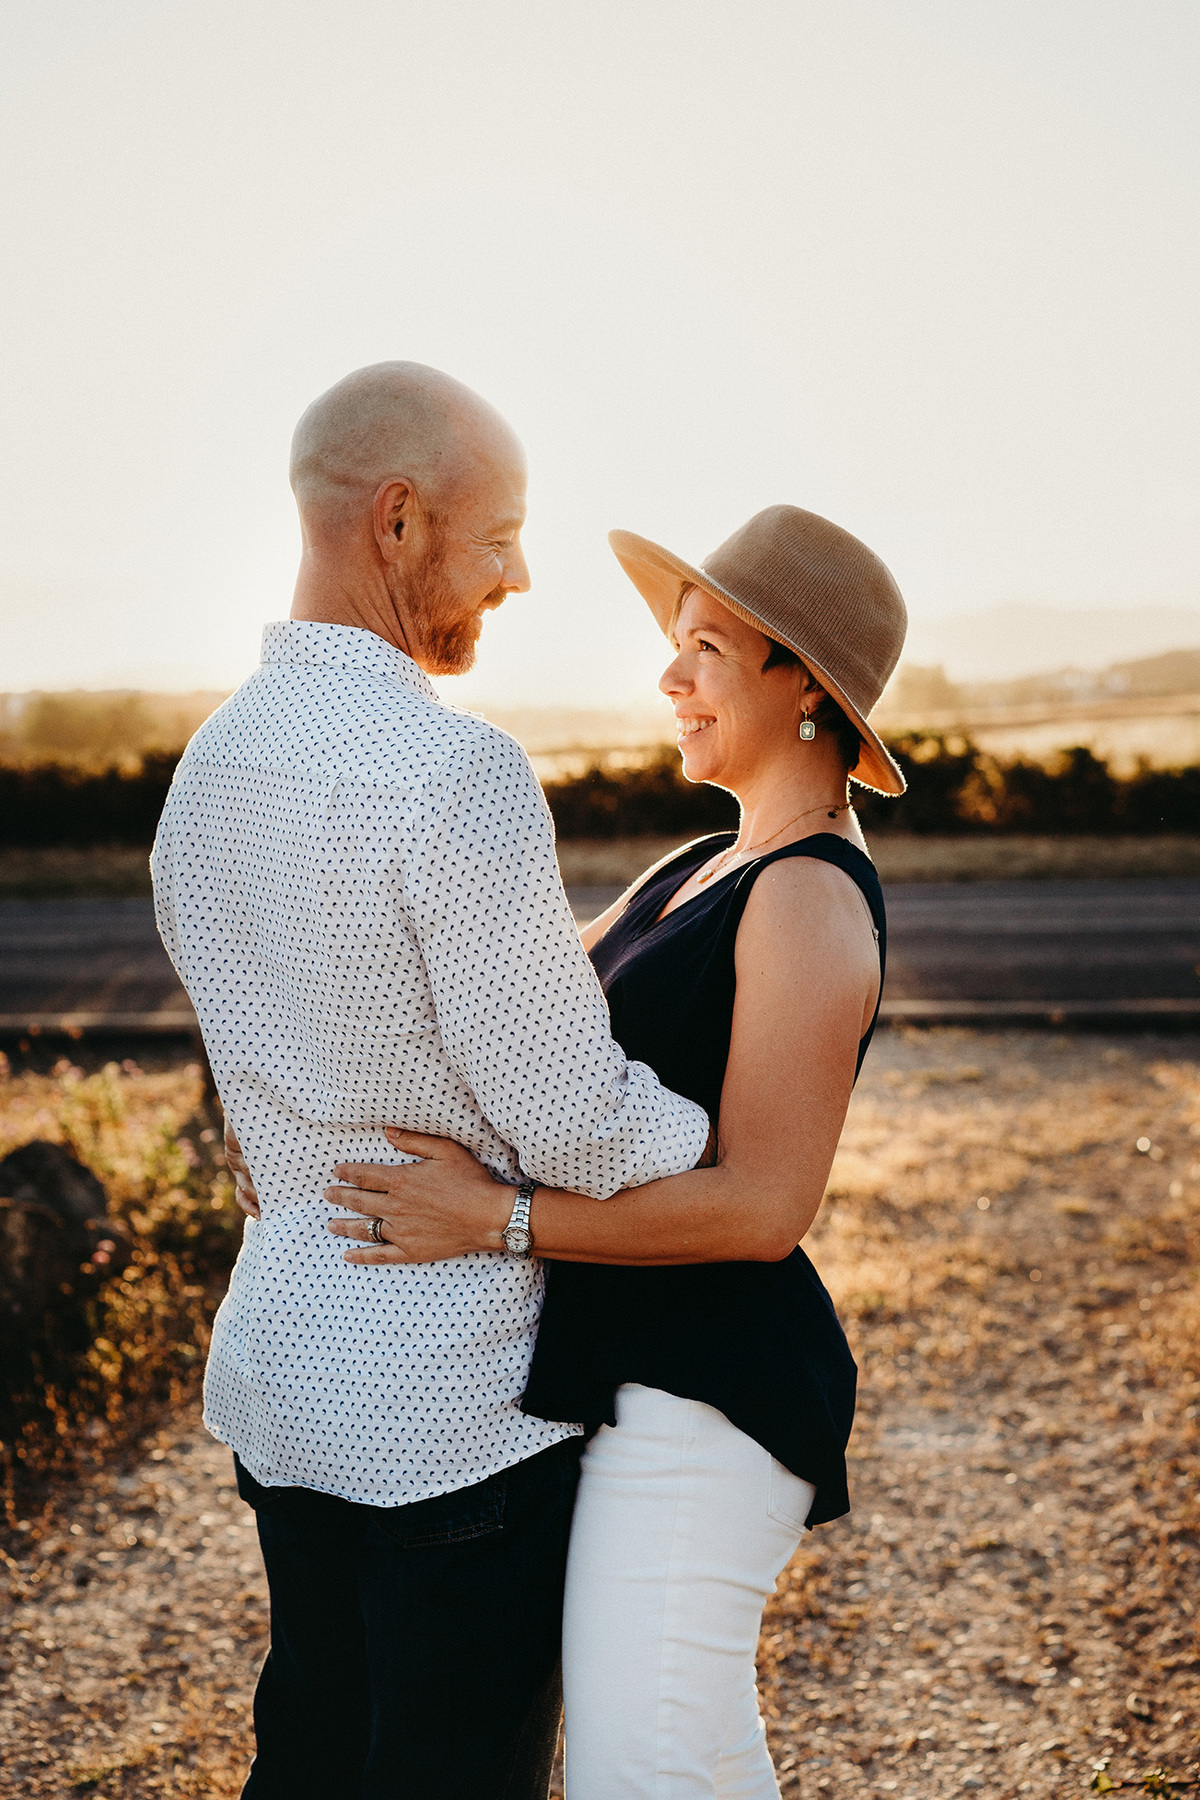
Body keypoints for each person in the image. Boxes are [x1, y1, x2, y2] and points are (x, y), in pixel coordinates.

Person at [150, 362, 714, 1800]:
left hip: (281, 1370)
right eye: (500, 533)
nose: (521, 575)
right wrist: (714, 1133)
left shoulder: (207, 768)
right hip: (447, 1409)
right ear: (396, 523)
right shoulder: (452, 772)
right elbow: (575, 1119)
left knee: (317, 1751)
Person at [317, 504, 908, 1797]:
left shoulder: (807, 896)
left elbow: (763, 1207)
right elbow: (499, 1017)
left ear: (803, 683)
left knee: (645, 1763)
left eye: (705, 647)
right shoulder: (706, 863)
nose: (669, 677)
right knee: (672, 1755)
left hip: (714, 1394)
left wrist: (497, 1220)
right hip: (642, 1375)